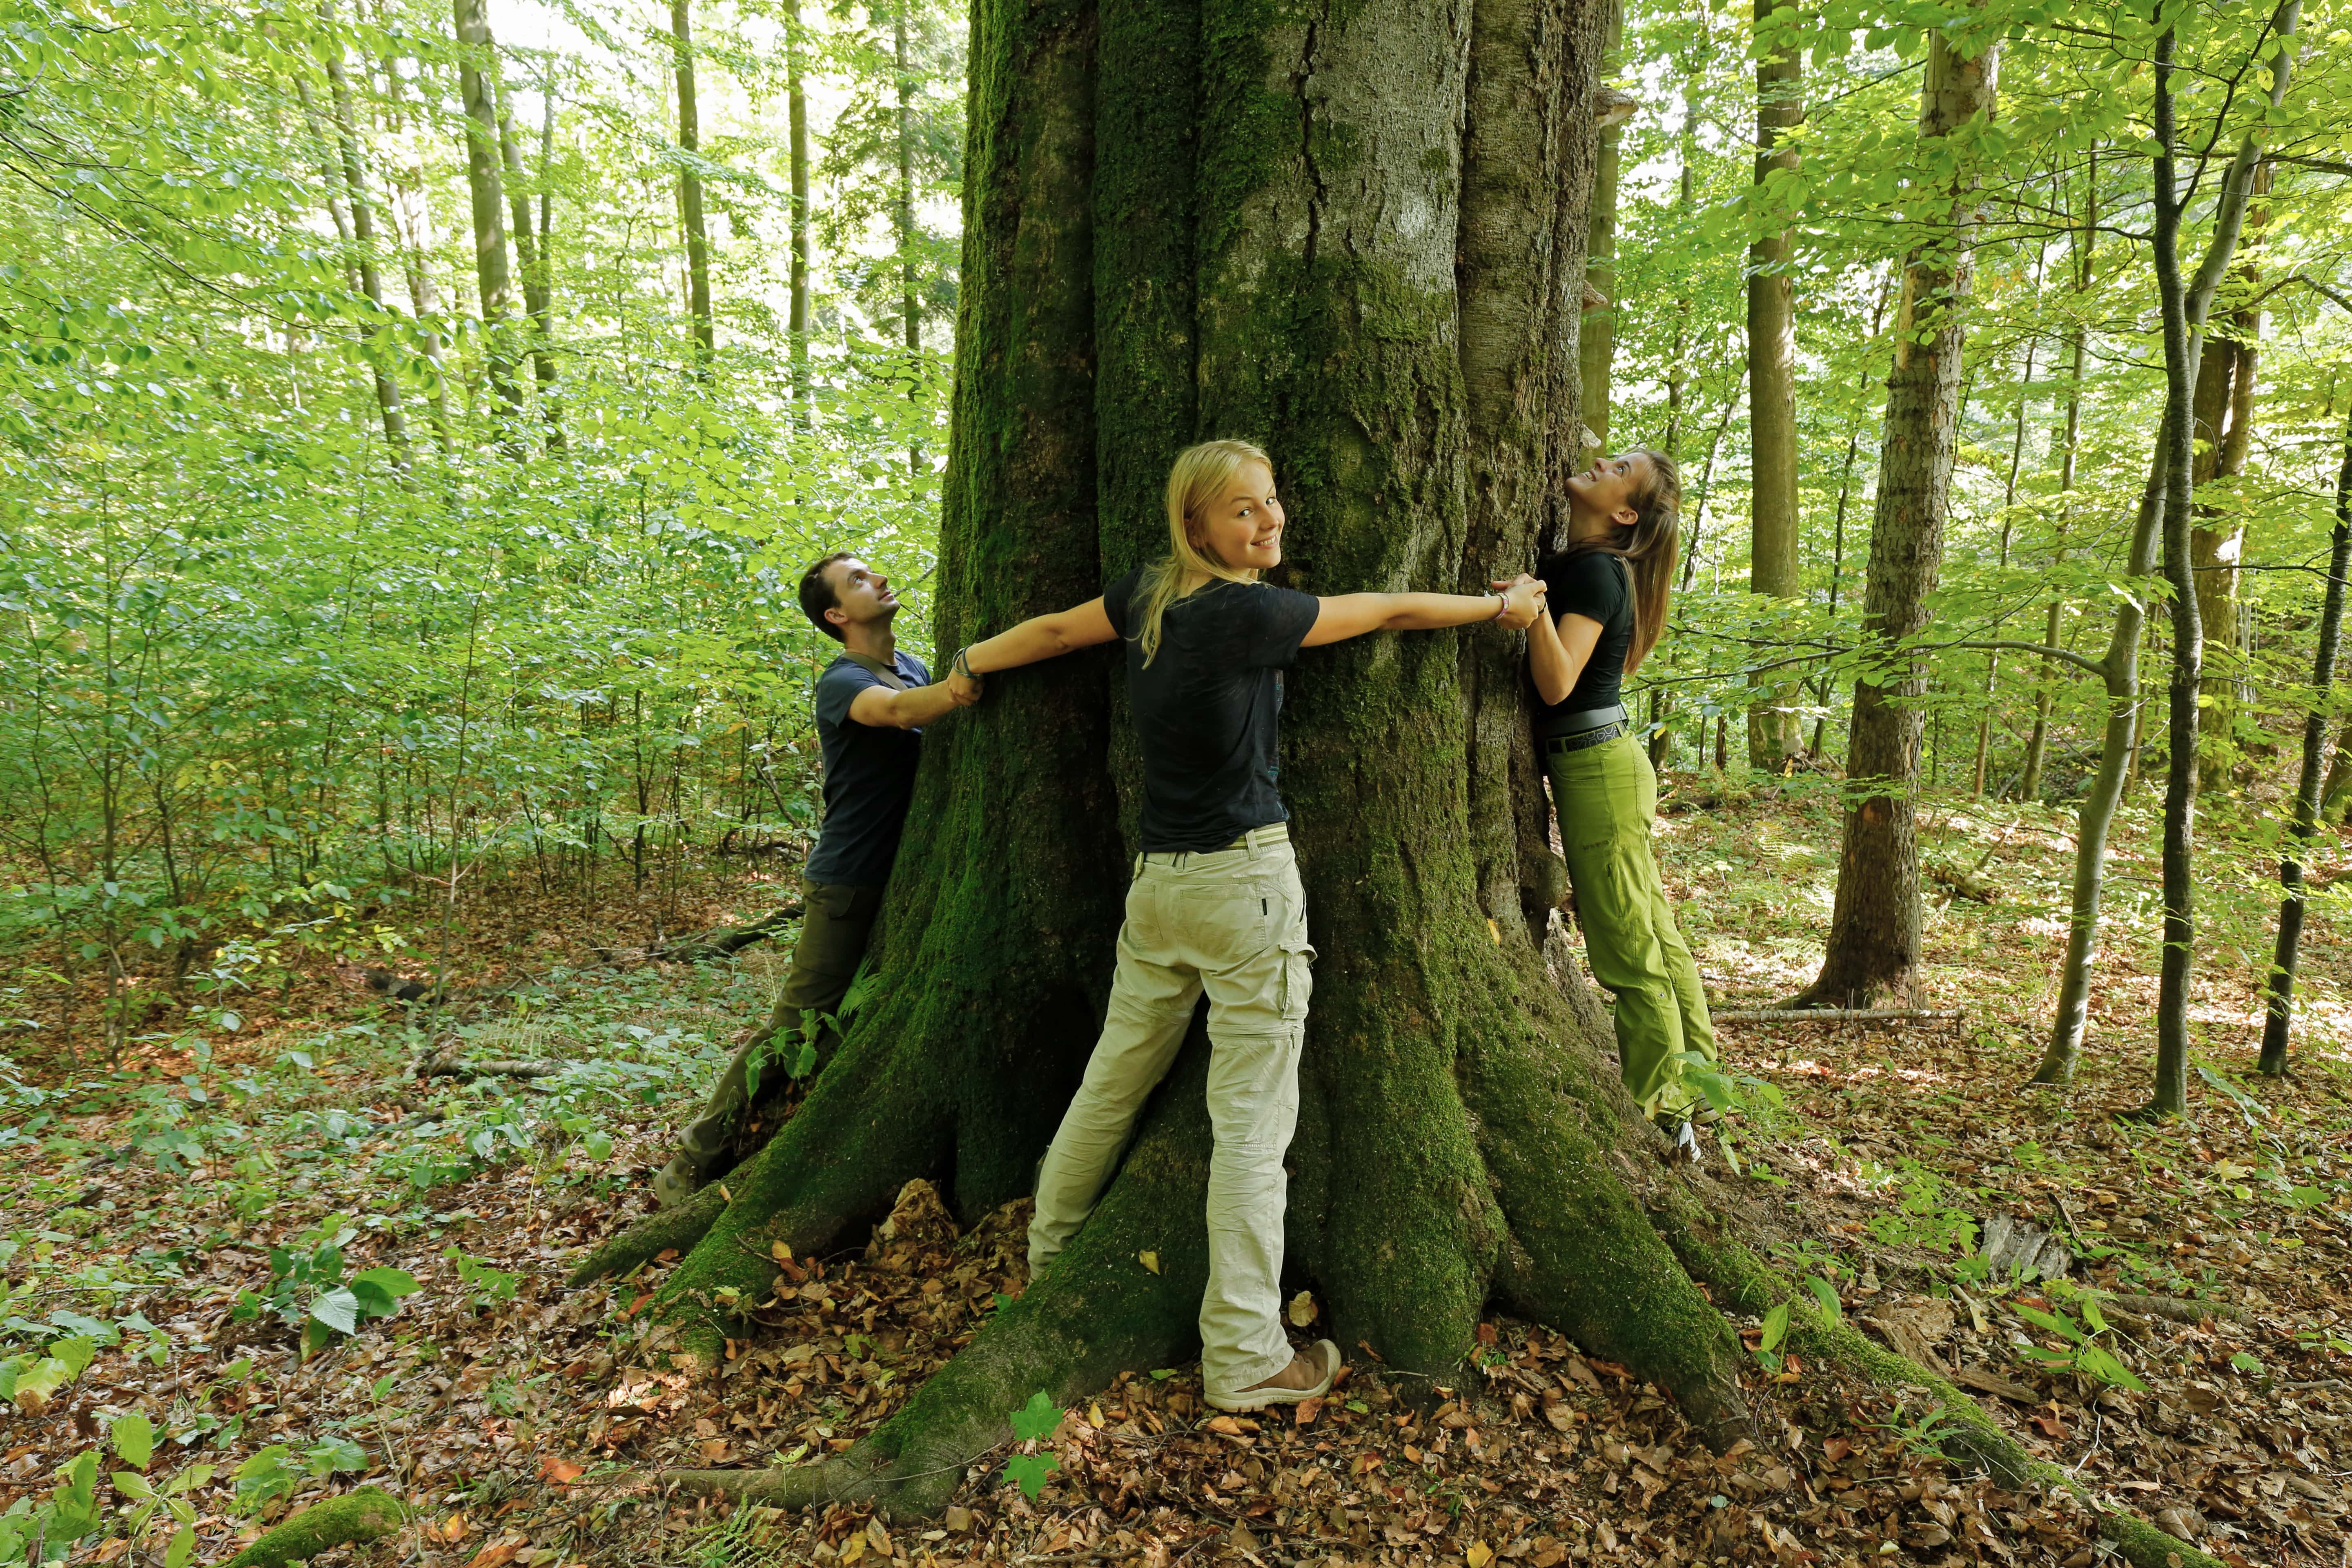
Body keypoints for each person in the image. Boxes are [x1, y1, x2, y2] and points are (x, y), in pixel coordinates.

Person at [951, 439, 1546, 1411]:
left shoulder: (1150, 596)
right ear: (1196, 526)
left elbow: (1056, 633)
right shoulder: (1247, 614)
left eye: (1271, 501)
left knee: (1115, 1076)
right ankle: (1243, 1357)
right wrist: (1502, 607)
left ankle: (1054, 1257)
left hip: (1162, 887)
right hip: (1244, 887)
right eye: (1243, 510)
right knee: (1250, 1132)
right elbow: (1390, 610)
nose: (1268, 521)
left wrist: (974, 660)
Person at [653, 552, 980, 1208]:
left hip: (908, 879)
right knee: (793, 1023)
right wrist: (958, 686)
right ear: (836, 615)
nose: (880, 580)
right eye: (859, 580)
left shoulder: (909, 666)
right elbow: (891, 713)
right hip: (850, 881)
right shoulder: (843, 680)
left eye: (874, 573)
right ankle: (695, 1157)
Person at [1523, 448, 1717, 1134]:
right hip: (1605, 764)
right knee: (1655, 938)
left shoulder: (1600, 573)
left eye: (1619, 468)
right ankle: (1698, 1085)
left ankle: (1668, 1114)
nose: (1600, 459)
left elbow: (1557, 683)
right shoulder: (1593, 565)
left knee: (1627, 948)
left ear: (1625, 514)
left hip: (1599, 772)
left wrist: (1529, 612)